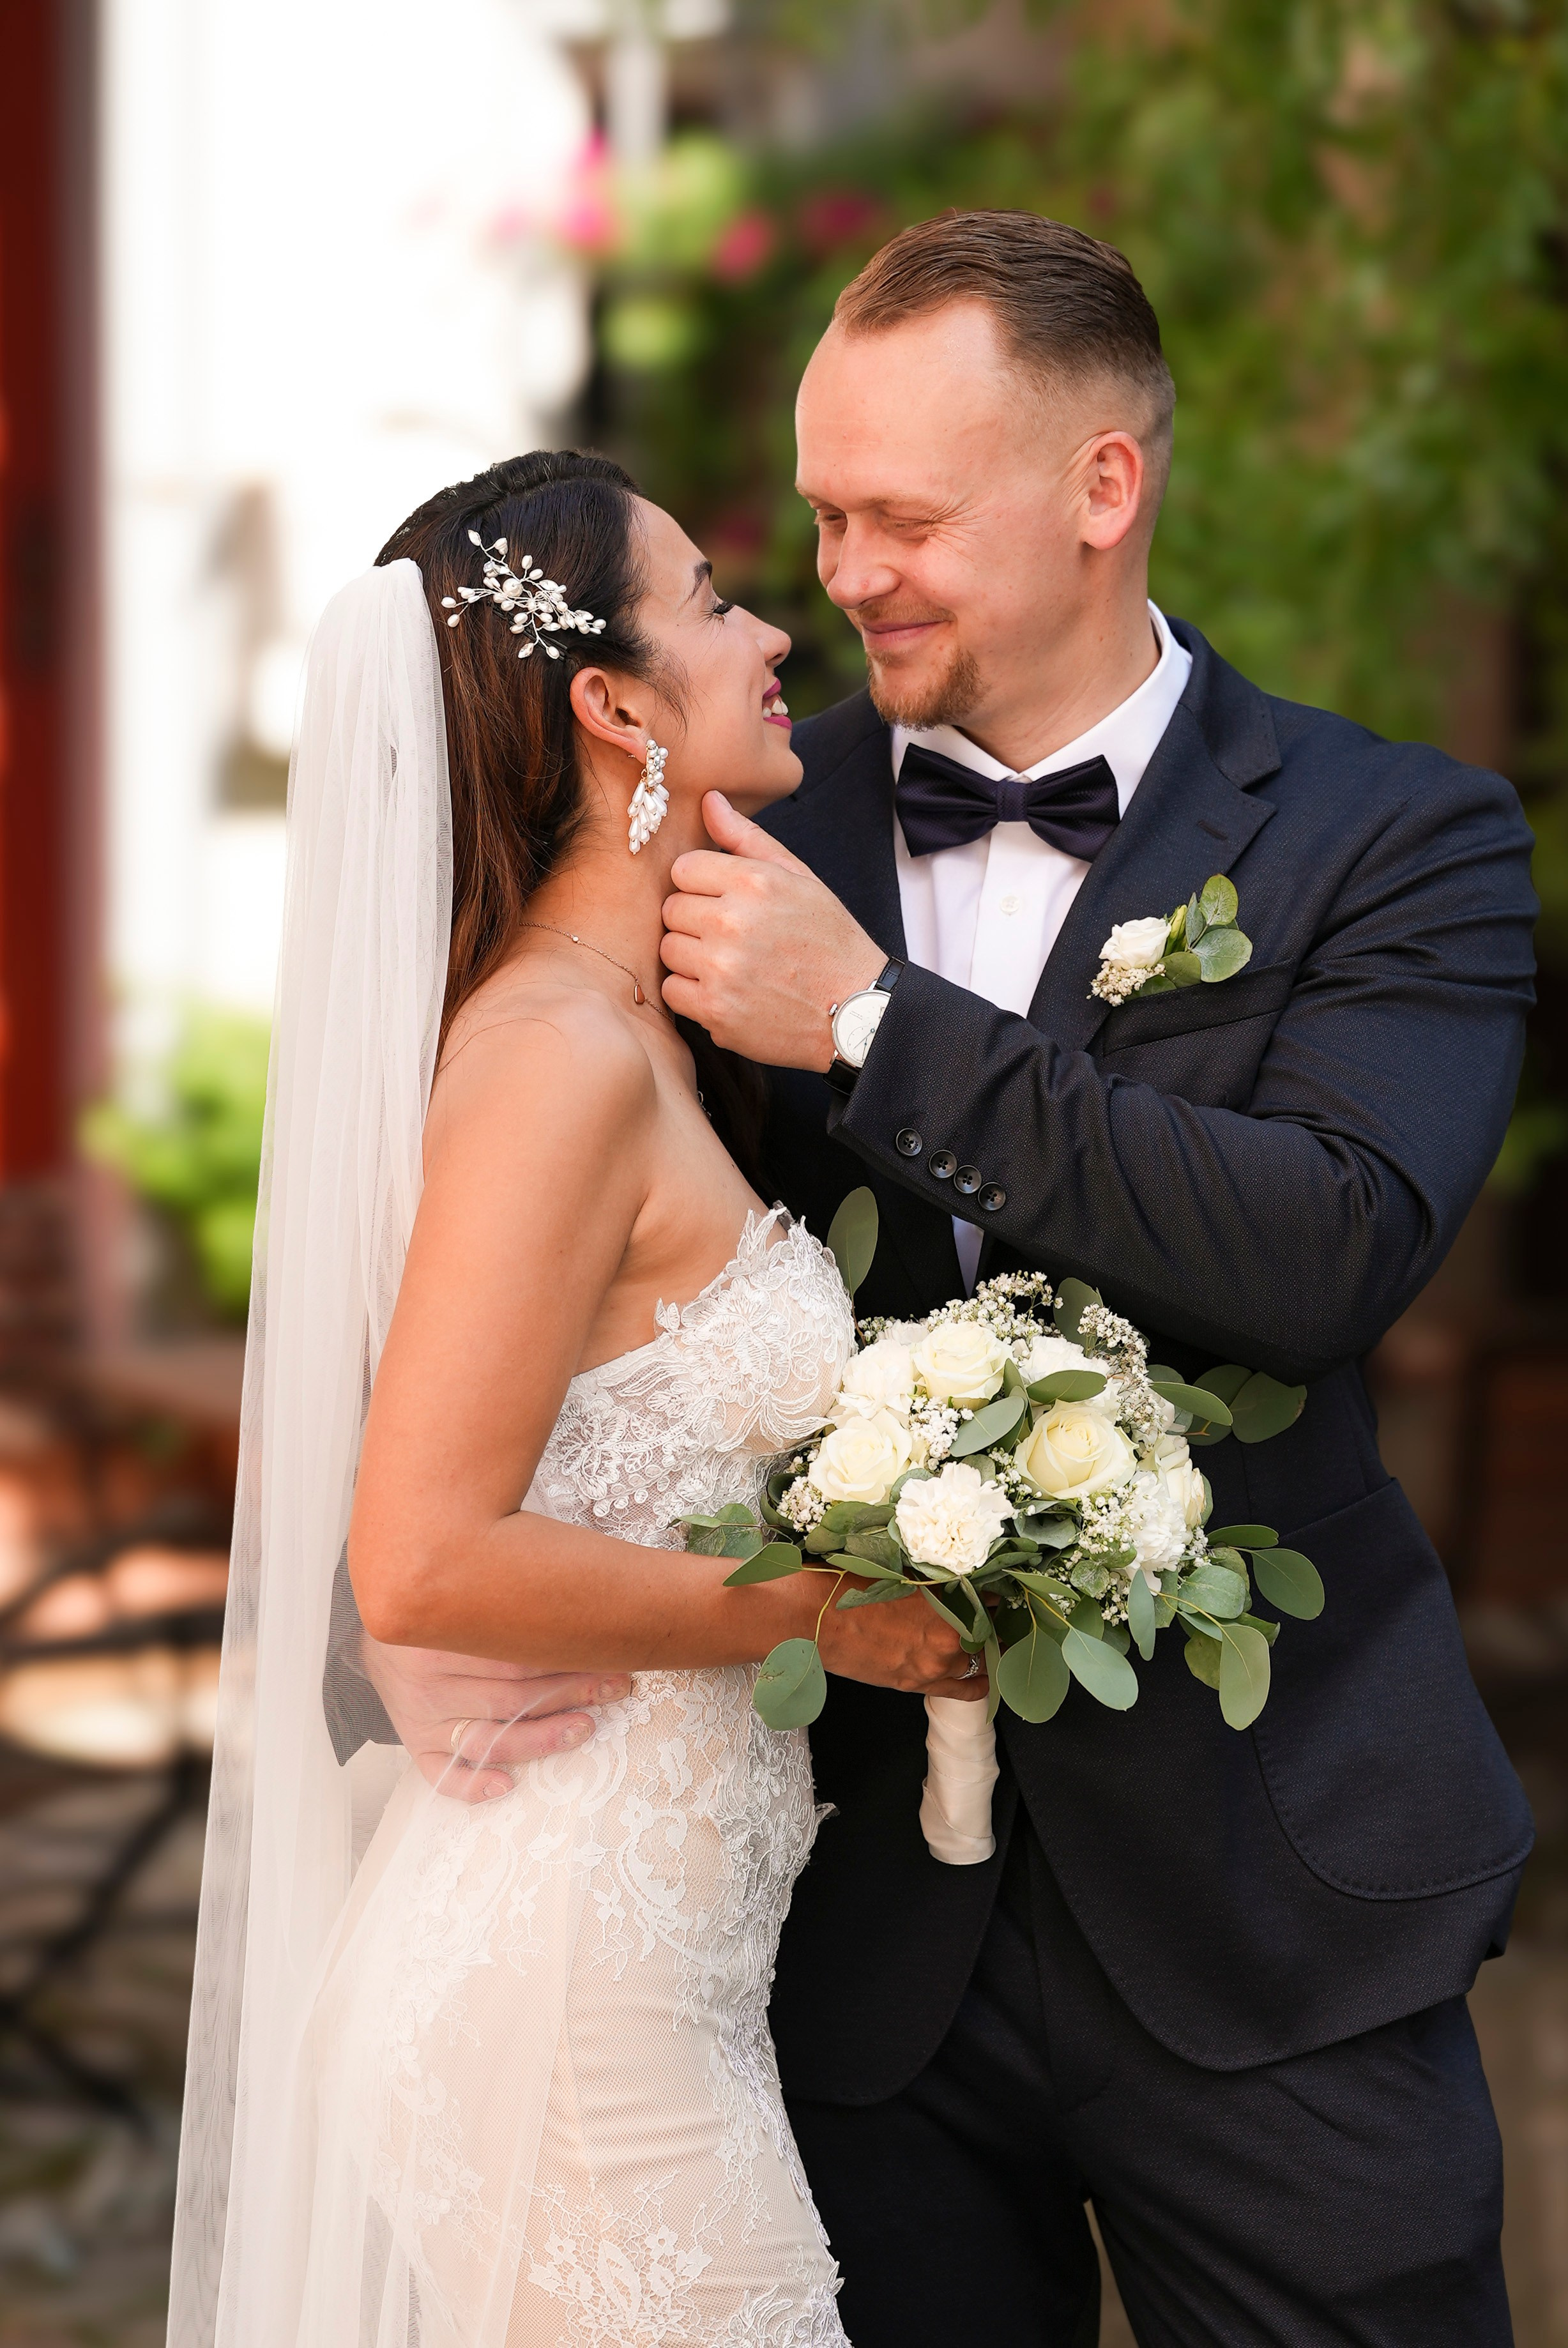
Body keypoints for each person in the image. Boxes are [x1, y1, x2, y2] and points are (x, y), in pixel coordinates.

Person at [361, 213, 1539, 2345]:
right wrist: (424, 1619)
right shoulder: (723, 828)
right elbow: (508, 1247)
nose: (845, 574)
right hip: (835, 1943)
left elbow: (1326, 1250)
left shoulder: (1402, 839)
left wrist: (883, 1033)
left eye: (902, 515)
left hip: (1269, 1907)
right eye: (818, 517)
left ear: (1106, 488)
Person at [167, 450, 985, 2348]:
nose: (778, 627)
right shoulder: (553, 1058)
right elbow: (425, 1556)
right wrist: (827, 1611)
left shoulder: (635, 1042)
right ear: (613, 707)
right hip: (562, 2008)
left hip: (636, 1979)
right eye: (711, 598)